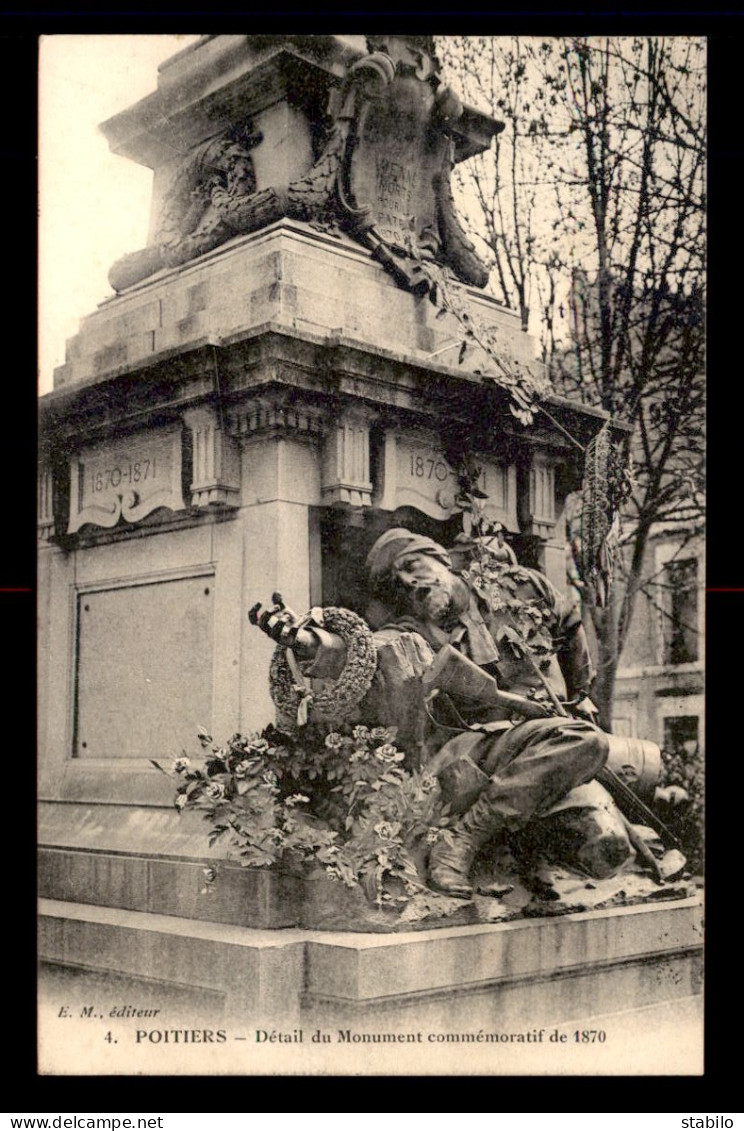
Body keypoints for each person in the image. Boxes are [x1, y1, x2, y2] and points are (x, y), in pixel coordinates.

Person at [250, 527, 634, 898]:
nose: (410, 582)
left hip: (543, 742)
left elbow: (568, 620)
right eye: (397, 583)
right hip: (483, 749)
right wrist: (305, 641)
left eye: (413, 566)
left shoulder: (520, 587)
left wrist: (582, 692)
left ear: (443, 561)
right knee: (586, 742)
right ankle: (464, 839)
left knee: (606, 846)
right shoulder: (412, 632)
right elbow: (360, 651)